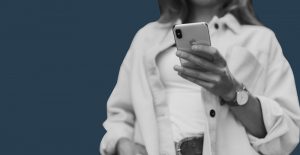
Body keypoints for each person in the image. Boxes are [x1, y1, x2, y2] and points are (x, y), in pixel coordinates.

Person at [100, 0, 300, 155]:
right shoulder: (146, 38)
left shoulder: (261, 39)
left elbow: (286, 132)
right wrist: (122, 143)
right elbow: (120, 114)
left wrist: (232, 92)